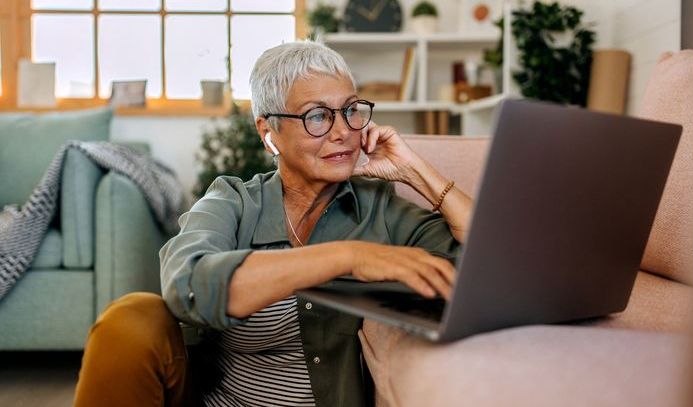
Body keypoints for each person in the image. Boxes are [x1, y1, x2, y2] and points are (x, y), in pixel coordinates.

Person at [74, 40, 472, 407]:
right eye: (317, 116)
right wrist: (346, 257)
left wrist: (418, 172)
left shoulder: (379, 209)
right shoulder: (233, 201)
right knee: (131, 318)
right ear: (269, 133)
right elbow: (187, 285)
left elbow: (485, 269)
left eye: (351, 111)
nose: (342, 132)